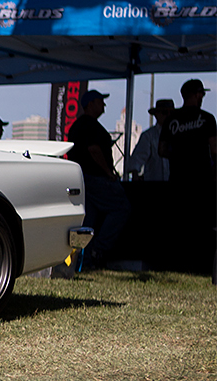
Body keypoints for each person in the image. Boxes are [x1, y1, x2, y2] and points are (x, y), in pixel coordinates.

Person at [66, 89, 130, 268]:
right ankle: (97, 250)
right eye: (100, 101)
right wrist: (108, 173)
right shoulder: (89, 125)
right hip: (95, 177)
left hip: (83, 179)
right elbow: (94, 150)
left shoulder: (78, 125)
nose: (104, 105)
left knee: (88, 221)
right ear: (91, 104)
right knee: (121, 208)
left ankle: (83, 261)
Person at [162, 80, 216, 186]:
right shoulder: (207, 118)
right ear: (197, 95)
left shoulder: (170, 119)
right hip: (202, 178)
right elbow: (215, 150)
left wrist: (179, 156)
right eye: (202, 94)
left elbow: (161, 150)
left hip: (177, 177)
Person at [125, 99, 174, 182]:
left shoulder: (178, 134)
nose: (168, 116)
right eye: (165, 113)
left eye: (171, 113)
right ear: (157, 115)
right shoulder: (148, 136)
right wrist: (135, 175)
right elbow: (137, 158)